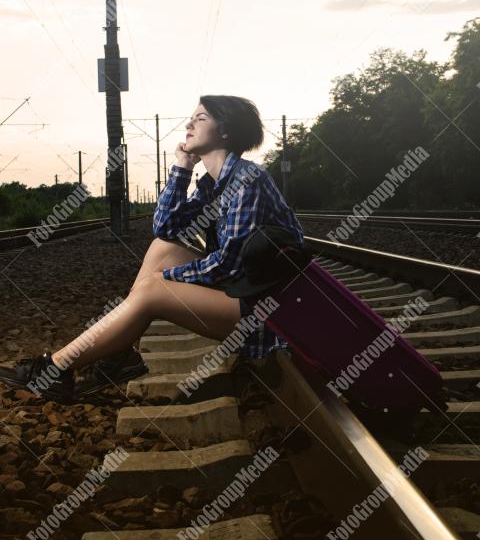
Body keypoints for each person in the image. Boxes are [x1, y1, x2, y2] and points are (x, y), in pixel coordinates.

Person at [0, 95, 305, 404]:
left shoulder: (247, 181)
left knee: (151, 289)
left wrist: (163, 280)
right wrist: (182, 168)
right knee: (162, 248)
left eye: (200, 118)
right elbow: (166, 229)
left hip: (267, 313)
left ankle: (56, 368)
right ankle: (119, 355)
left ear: (225, 132)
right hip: (243, 295)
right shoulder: (213, 184)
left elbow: (229, 266)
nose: (188, 123)